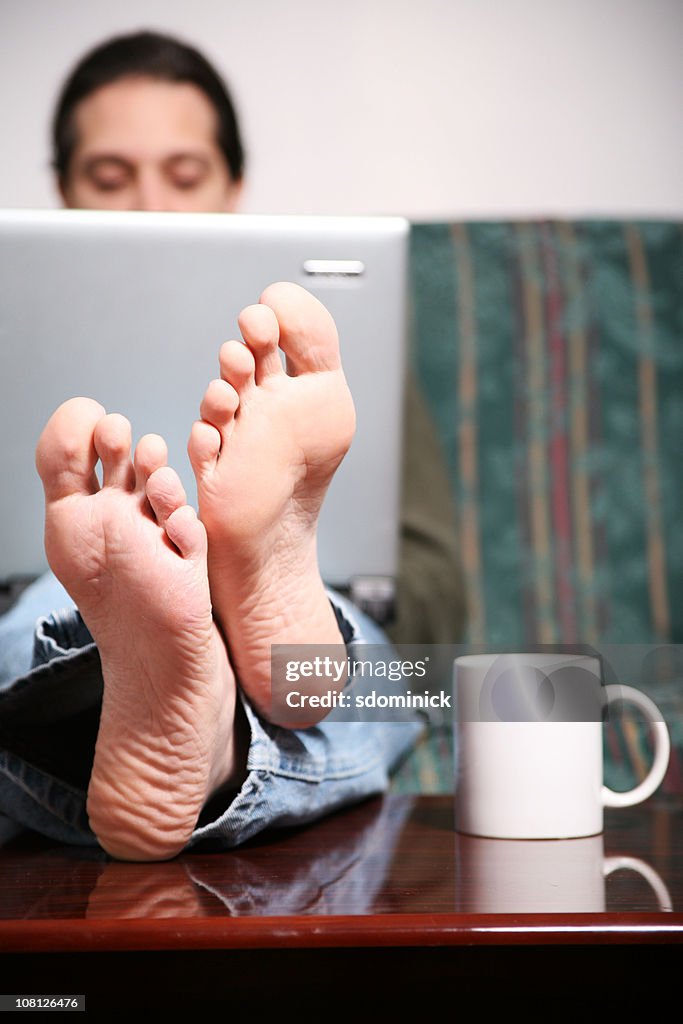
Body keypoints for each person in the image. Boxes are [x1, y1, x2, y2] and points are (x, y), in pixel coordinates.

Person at [0, 31, 462, 860]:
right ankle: (206, 725)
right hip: (62, 603)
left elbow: (435, 589)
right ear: (62, 189)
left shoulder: (314, 358)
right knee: (54, 615)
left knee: (369, 666)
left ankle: (215, 669)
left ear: (233, 184)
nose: (148, 203)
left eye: (184, 175)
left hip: (326, 613)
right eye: (110, 177)